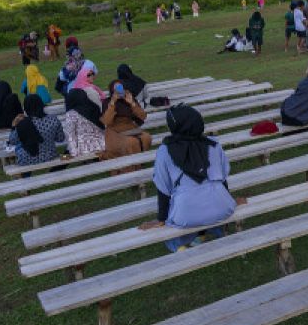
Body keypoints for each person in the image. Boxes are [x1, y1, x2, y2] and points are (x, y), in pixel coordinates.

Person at [138, 105, 238, 253]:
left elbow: (163, 188)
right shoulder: (214, 144)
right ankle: (207, 234)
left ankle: (181, 245)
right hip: (223, 207)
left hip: (186, 212)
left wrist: (161, 219)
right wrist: (229, 200)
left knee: (181, 207)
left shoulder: (165, 150)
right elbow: (222, 179)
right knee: (205, 203)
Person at [7, 95, 65, 168]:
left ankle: (25, 177)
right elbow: (60, 138)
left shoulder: (23, 123)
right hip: (51, 155)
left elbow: (13, 141)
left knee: (18, 148)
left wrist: (14, 127)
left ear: (26, 108)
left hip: (28, 159)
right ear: (41, 105)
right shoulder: (53, 119)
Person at [100, 79, 152, 158]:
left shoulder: (129, 99)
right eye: (116, 89)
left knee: (146, 138)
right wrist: (112, 103)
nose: (119, 91)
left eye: (120, 88)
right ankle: (132, 165)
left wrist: (132, 103)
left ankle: (140, 161)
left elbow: (143, 116)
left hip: (130, 127)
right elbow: (107, 121)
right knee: (131, 142)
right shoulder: (107, 102)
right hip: (114, 131)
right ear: (112, 90)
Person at [60, 89, 106, 157]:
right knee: (64, 156)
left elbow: (71, 135)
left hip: (83, 149)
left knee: (64, 157)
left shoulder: (71, 114)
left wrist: (74, 154)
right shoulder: (95, 107)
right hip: (102, 145)